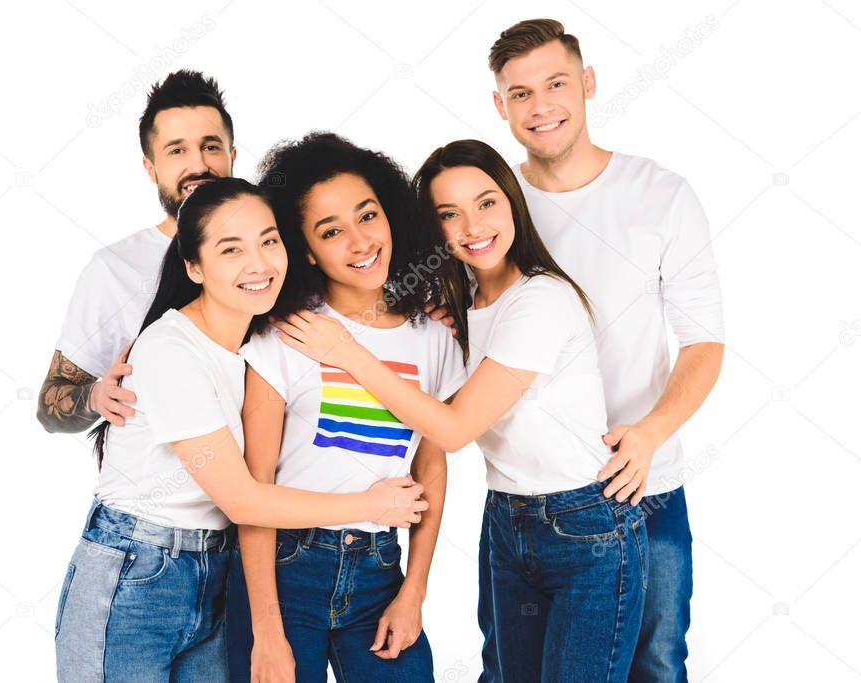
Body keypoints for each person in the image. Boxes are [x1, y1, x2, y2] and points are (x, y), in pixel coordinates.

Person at [273, 140, 648, 682]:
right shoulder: (460, 304)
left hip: (584, 525)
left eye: (487, 203)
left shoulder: (541, 300)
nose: (473, 226)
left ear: (513, 201)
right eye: (449, 214)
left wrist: (347, 352)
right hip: (508, 519)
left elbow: (452, 430)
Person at [54, 178, 428, 682]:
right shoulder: (171, 349)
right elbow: (244, 500)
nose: (259, 263)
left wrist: (429, 305)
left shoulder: (258, 340)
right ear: (194, 267)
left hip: (217, 574)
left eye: (269, 241)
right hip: (136, 574)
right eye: (232, 250)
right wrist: (372, 505)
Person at [487, 19, 725, 681]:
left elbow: (704, 340)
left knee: (653, 662)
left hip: (642, 486)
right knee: (519, 670)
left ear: (587, 84)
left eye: (555, 84)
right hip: (528, 500)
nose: (540, 106)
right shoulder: (490, 206)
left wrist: (648, 435)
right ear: (500, 106)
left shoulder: (660, 195)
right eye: (520, 93)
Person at [232, 133, 465, 682]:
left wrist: (415, 591)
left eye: (368, 216)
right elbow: (252, 493)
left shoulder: (431, 336)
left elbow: (431, 464)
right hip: (289, 574)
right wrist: (266, 632)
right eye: (331, 231)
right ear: (306, 250)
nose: (360, 242)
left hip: (379, 573)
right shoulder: (282, 335)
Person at [37, 69, 238, 434]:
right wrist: (96, 397)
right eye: (177, 150)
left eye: (211, 146)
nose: (198, 165)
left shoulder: (273, 258)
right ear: (151, 167)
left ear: (232, 155)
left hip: (256, 490)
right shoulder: (114, 270)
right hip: (144, 491)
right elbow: (49, 406)